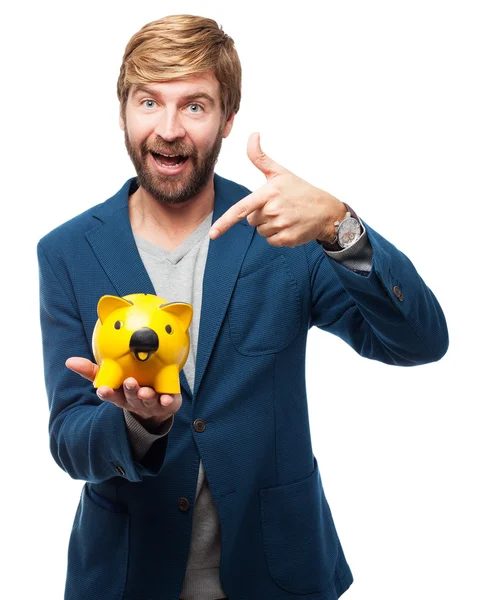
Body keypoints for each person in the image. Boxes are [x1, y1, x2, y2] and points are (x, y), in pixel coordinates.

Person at [36, 14, 448, 600]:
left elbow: (420, 342)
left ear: (229, 118)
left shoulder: (285, 231)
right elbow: (69, 438)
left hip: (278, 571)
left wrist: (339, 225)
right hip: (127, 577)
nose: (169, 129)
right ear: (123, 112)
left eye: (195, 106)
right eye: (149, 102)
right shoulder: (67, 252)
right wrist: (139, 425)